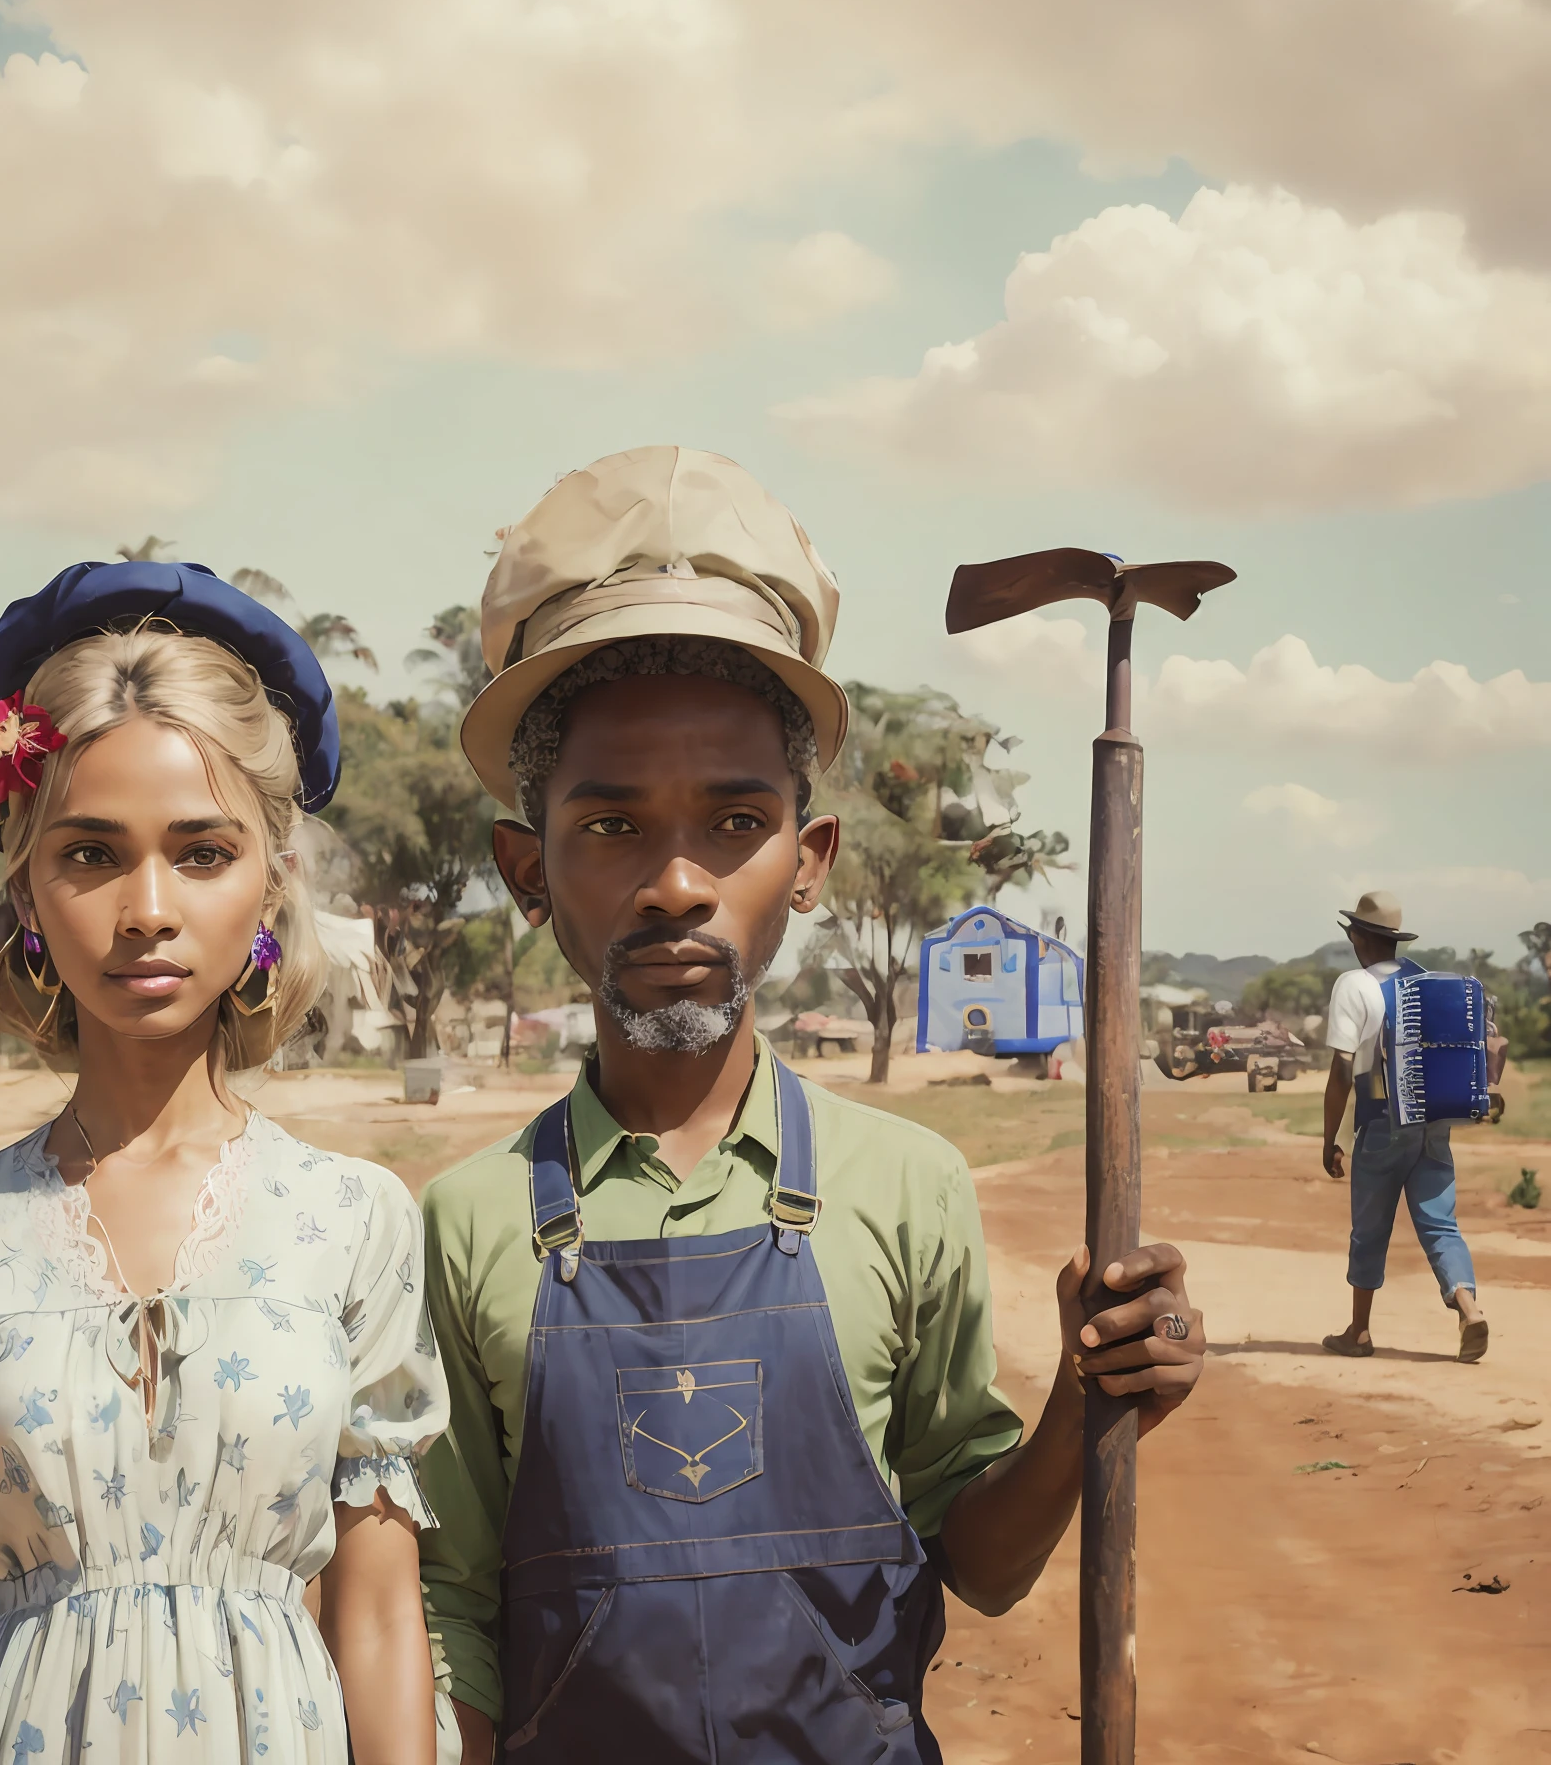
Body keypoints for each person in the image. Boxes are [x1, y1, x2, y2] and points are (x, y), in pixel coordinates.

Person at [417, 447, 1207, 1764]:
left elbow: (986, 1564)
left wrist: (1087, 1398)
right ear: (526, 868)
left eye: (734, 821)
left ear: (810, 860)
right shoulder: (464, 1223)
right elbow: (453, 1610)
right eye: (611, 827)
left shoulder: (907, 1186)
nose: (676, 880)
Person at [0, 562, 446, 1765]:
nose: (146, 908)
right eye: (89, 854)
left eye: (203, 850)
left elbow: (379, 1618)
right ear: (25, 888)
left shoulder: (354, 1219)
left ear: (268, 883)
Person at [1320, 890, 1487, 1363]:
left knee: (1369, 1229)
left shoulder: (1354, 985)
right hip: (1434, 1124)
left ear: (1357, 935)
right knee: (1440, 1224)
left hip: (1381, 1122)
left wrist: (1330, 1138)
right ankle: (1468, 1307)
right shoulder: (1425, 982)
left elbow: (1341, 1072)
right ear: (1395, 939)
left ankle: (1358, 1332)